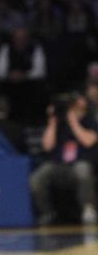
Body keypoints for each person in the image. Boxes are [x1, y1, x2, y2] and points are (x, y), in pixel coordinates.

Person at [30, 93, 98, 226]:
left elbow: (88, 141)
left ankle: (89, 210)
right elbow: (47, 146)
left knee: (82, 170)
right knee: (38, 176)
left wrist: (74, 122)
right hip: (59, 165)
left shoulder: (89, 121)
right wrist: (52, 122)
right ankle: (47, 213)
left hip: (80, 163)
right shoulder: (59, 123)